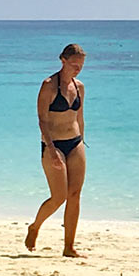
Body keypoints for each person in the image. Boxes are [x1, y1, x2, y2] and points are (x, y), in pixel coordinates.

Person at [27, 42, 86, 255]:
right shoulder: (49, 85)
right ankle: (35, 226)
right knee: (59, 196)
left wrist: (82, 141)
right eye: (74, 64)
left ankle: (69, 247)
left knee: (75, 194)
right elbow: (42, 120)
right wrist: (50, 149)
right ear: (63, 60)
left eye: (80, 65)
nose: (77, 68)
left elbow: (80, 117)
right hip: (54, 144)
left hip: (75, 142)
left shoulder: (79, 87)